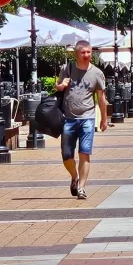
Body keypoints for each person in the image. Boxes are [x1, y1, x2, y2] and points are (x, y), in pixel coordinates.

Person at [55, 40, 108, 200]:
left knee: (84, 153)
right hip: (68, 118)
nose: (86, 55)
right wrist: (61, 85)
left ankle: (82, 188)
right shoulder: (67, 69)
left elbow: (101, 98)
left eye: (89, 52)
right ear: (76, 54)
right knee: (66, 155)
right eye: (83, 52)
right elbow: (58, 87)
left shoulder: (97, 73)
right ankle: (74, 176)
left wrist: (104, 119)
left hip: (87, 118)